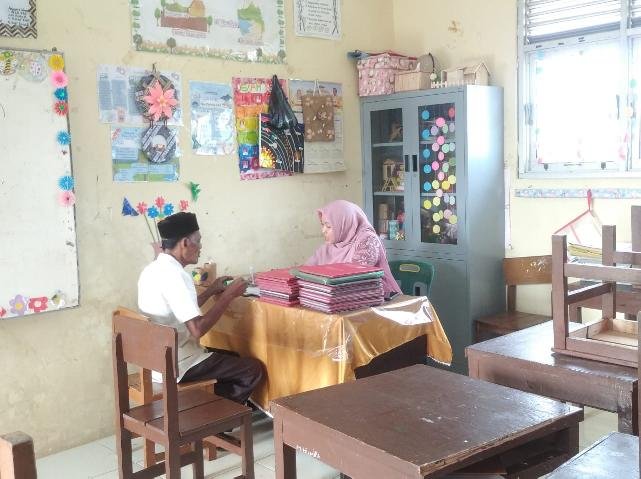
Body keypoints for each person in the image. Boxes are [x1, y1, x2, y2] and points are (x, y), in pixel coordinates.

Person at [137, 212, 263, 405]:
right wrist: (228, 295)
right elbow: (197, 329)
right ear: (185, 243)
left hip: (155, 361)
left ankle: (209, 409)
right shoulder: (178, 276)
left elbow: (180, 310)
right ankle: (214, 417)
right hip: (178, 363)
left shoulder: (152, 270)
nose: (201, 247)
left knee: (233, 357)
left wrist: (211, 291)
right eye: (198, 241)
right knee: (252, 369)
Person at [306, 200, 402, 299]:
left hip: (380, 300)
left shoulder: (368, 239)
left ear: (344, 223)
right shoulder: (329, 247)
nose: (323, 231)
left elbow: (354, 279)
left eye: (328, 226)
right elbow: (304, 274)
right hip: (340, 300)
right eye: (322, 225)